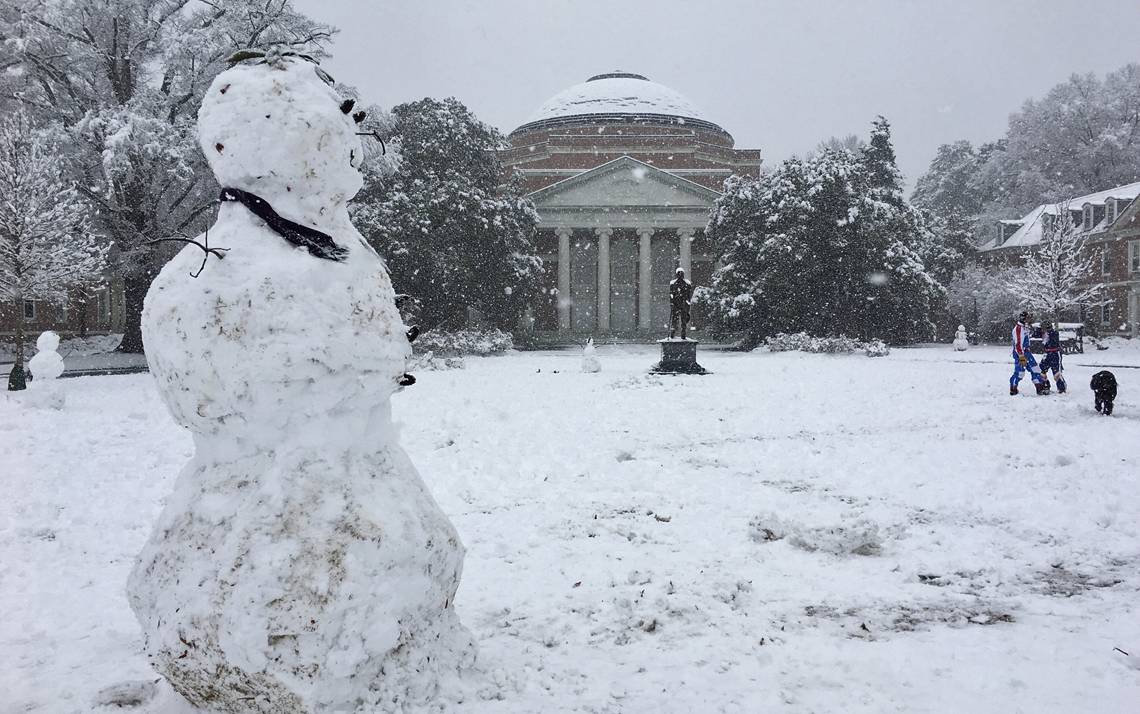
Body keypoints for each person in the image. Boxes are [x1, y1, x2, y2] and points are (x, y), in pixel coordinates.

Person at [1010, 310, 1047, 395]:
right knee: (1020, 373)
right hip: (1020, 354)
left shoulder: (1025, 327)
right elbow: (1018, 345)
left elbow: (1028, 337)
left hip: (1027, 353)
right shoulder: (1018, 329)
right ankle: (1013, 388)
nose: (1029, 320)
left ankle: (1039, 388)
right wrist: (1021, 357)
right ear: (1023, 318)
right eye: (1027, 318)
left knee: (1036, 369)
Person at [1039, 320, 1067, 394]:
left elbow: (1053, 340)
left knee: (1056, 372)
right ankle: (1045, 386)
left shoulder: (1054, 333)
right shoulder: (1043, 333)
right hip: (1046, 354)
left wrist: (1047, 333)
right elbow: (1033, 334)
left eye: (1043, 328)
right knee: (1042, 370)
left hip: (1055, 353)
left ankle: (1061, 388)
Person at [669, 268, 694, 339]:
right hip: (677, 305)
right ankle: (672, 334)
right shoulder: (673, 284)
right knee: (675, 321)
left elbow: (689, 296)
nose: (680, 275)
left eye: (681, 274)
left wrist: (687, 305)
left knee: (683, 322)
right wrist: (672, 304)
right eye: (679, 274)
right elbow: (671, 295)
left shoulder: (687, 284)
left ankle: (683, 335)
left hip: (683, 305)